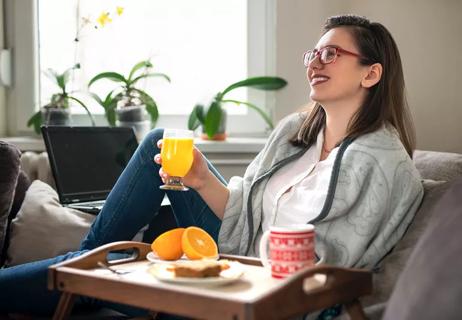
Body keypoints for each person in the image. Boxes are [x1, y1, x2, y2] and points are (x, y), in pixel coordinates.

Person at [0, 14, 423, 318]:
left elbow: (338, 260)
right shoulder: (296, 133)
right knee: (158, 146)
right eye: (313, 52)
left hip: (265, 276)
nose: (314, 62)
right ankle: (89, 262)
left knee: (107, 275)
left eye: (330, 53)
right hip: (235, 242)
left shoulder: (383, 164)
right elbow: (247, 207)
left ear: (371, 74)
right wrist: (201, 179)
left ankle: (86, 271)